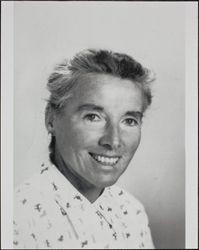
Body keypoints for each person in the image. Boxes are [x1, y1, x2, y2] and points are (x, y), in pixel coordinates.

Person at [14, 49, 155, 249]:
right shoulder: (16, 218)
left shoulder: (132, 212)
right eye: (93, 117)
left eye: (129, 120)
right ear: (51, 119)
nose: (113, 141)